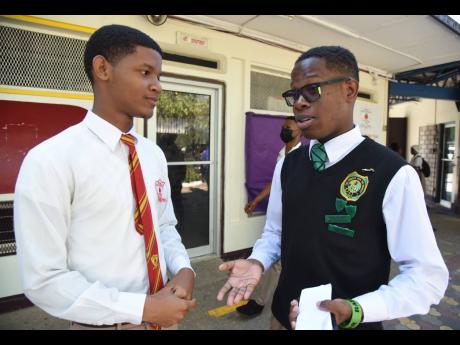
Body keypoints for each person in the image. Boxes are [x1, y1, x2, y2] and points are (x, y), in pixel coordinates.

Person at [217, 45, 448, 330]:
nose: (299, 102)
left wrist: (355, 309)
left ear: (349, 90)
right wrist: (257, 262)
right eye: (294, 93)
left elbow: (426, 278)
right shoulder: (288, 164)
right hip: (282, 317)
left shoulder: (393, 173)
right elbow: (275, 233)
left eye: (312, 90)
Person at [14, 24, 196, 330]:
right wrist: (143, 308)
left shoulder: (152, 155)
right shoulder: (51, 160)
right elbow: (44, 279)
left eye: (159, 76)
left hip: (164, 318)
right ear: (102, 69)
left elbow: (163, 226)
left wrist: (184, 269)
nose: (158, 86)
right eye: (145, 72)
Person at [237, 117, 301, 317]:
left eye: (288, 128)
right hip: (278, 217)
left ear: (299, 130)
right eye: (283, 128)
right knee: (279, 260)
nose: (284, 131)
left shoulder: (304, 156)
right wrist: (256, 200)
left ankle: (261, 301)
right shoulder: (282, 154)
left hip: (294, 217)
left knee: (278, 263)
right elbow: (274, 183)